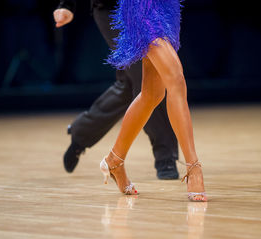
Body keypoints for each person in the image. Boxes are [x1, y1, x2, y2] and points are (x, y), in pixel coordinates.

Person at [54, 0, 179, 180]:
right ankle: (165, 157)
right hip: (113, 9)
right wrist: (68, 4)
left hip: (148, 9)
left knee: (128, 87)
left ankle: (81, 132)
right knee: (147, 81)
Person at [99, 0, 207, 202]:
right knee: (176, 79)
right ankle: (193, 168)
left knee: (153, 93)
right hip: (141, 6)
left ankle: (114, 159)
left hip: (167, 7)